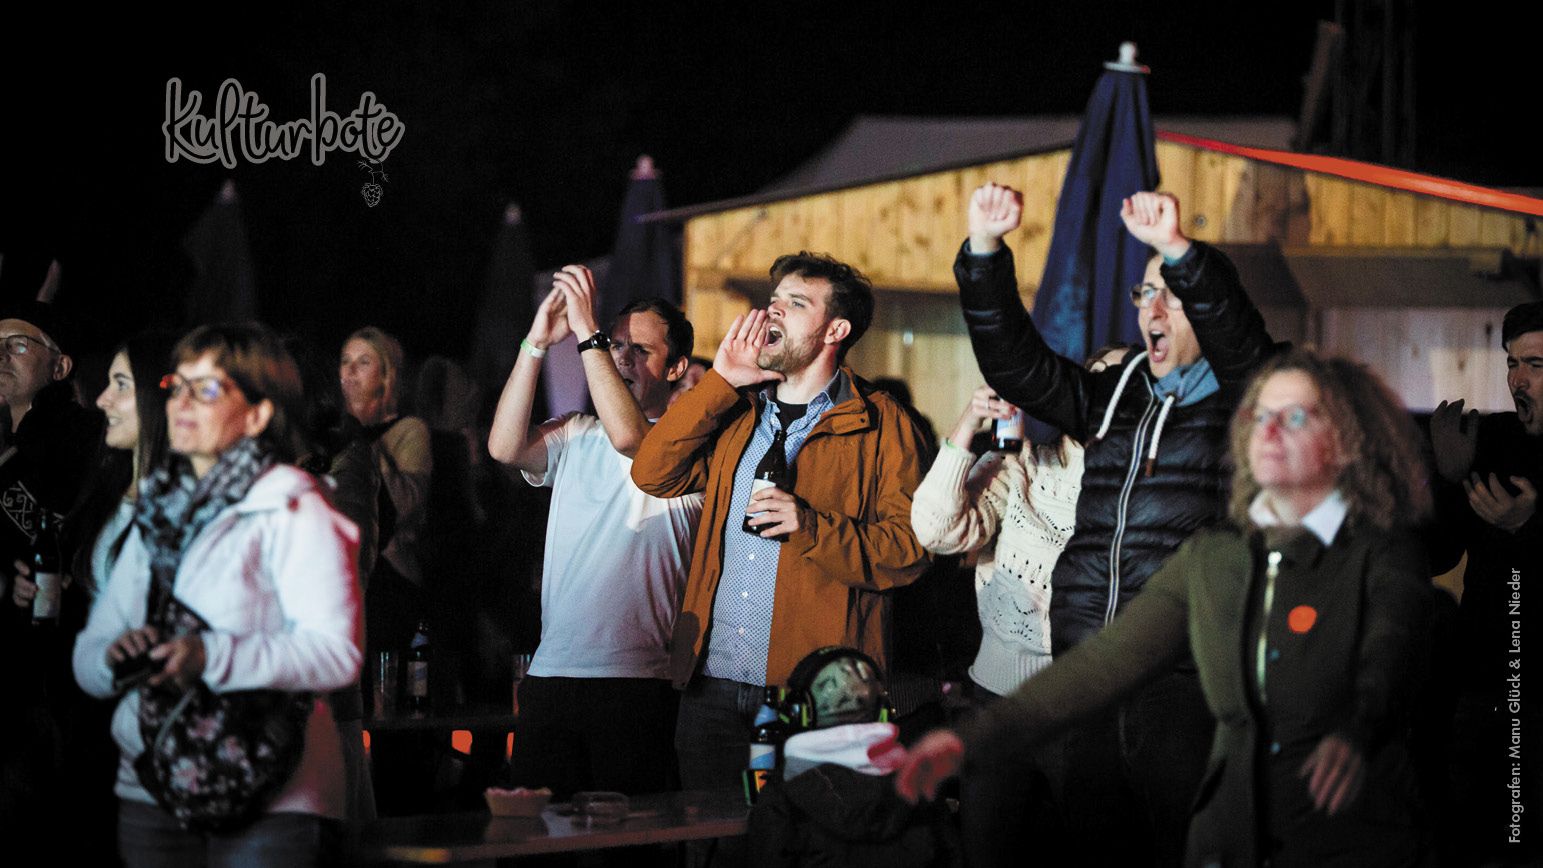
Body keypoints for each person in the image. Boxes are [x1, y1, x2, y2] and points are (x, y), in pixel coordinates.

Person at [889, 348, 1437, 868]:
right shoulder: (1214, 556)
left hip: (1348, 839)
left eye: (1295, 417)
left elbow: (1390, 652)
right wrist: (972, 738)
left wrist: (1359, 727)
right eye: (1261, 415)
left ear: (1347, 439)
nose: (1269, 431)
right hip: (1235, 836)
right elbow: (1103, 663)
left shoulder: (1384, 555)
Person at [953, 183, 1276, 865]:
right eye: (1143, 293)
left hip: (1183, 679)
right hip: (1091, 672)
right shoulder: (1117, 393)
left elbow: (1242, 342)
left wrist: (1178, 251)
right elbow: (1018, 367)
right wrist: (983, 252)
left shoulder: (1248, 401)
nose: (1150, 309)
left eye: (1170, 294)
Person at [630, 250, 932, 793]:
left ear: (835, 330)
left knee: (805, 833)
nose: (773, 312)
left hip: (817, 694)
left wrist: (811, 527)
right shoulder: (737, 410)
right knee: (708, 835)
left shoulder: (882, 423)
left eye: (795, 303)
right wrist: (721, 379)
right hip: (713, 687)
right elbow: (652, 472)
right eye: (773, 301)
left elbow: (910, 552)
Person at [73, 322, 362, 866]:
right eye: (177, 386)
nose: (181, 403)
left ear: (257, 415)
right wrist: (115, 657)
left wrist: (210, 656)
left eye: (206, 390)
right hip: (152, 788)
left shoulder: (293, 506)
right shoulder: (157, 507)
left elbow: (337, 654)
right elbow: (89, 652)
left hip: (272, 793)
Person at [487, 265, 703, 799]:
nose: (621, 358)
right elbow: (504, 447)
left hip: (638, 681)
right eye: (616, 344)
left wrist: (589, 331)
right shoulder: (576, 431)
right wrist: (536, 344)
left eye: (639, 350)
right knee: (536, 835)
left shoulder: (690, 445)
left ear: (677, 368)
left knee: (629, 838)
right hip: (552, 673)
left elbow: (631, 437)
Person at [1428, 300, 1543, 864]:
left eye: (1536, 365)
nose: (1517, 379)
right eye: (1512, 363)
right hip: (1483, 679)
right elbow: (1436, 554)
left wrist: (1528, 528)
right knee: (1474, 833)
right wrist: (1446, 480)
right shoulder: (1492, 438)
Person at [0, 300, 108, 855]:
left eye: (18, 346)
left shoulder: (83, 439)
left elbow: (64, 533)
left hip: (57, 685)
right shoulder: (10, 439)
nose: (1, 357)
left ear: (60, 366)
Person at [339, 327, 432, 690]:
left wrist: (361, 444)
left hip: (390, 577)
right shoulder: (333, 435)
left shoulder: (409, 430)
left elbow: (408, 502)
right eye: (345, 361)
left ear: (386, 375)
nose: (350, 371)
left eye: (363, 362)